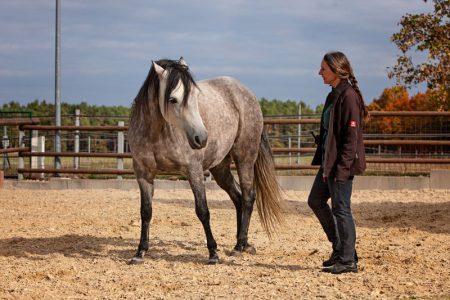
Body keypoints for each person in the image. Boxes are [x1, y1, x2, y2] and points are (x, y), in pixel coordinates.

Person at [308, 51, 367, 274]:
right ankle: (342, 248)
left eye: (323, 69)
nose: (320, 72)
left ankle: (348, 260)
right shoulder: (333, 95)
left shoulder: (349, 96)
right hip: (328, 161)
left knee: (342, 209)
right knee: (316, 200)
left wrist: (342, 170)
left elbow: (351, 139)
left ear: (336, 70)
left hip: (340, 164)